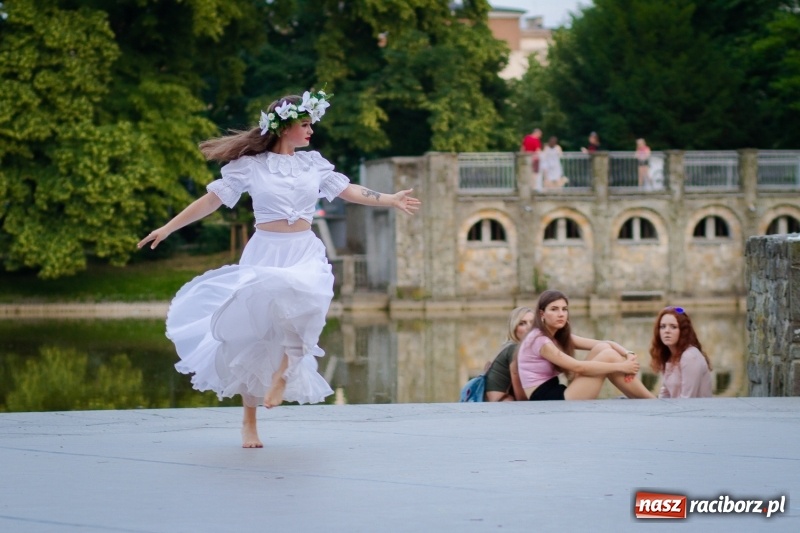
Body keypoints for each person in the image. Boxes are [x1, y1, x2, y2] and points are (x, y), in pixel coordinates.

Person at [137, 89, 420, 448]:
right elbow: (210, 201)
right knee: (255, 334)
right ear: (284, 128)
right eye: (305, 124)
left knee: (303, 308)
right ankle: (249, 422)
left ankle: (283, 375)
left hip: (304, 251)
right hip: (265, 253)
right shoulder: (250, 167)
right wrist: (167, 227)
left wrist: (389, 199)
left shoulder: (313, 164)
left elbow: (347, 190)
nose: (311, 131)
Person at [517, 290, 656, 401]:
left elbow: (605, 343)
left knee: (604, 349)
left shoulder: (555, 335)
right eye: (554, 309)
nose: (561, 314)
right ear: (542, 313)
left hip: (557, 392)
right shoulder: (539, 340)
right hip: (547, 401)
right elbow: (578, 367)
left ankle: (643, 398)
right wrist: (622, 366)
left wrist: (628, 354)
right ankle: (650, 400)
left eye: (564, 309)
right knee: (609, 355)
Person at [649, 307, 713, 398]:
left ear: (683, 331)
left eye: (673, 327)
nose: (667, 331)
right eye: (663, 326)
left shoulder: (690, 356)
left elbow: (687, 398)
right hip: (676, 409)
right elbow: (665, 394)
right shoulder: (669, 356)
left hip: (695, 411)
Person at [484, 306, 534, 401]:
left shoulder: (509, 346)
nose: (529, 327)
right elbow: (520, 395)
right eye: (522, 323)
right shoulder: (514, 350)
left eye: (532, 323)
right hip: (502, 402)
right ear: (514, 328)